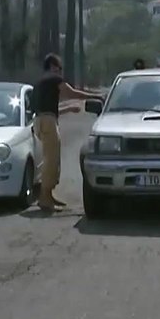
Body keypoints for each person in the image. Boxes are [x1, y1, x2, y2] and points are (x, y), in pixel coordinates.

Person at [33, 53, 100, 212]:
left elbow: (46, 109)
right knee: (51, 161)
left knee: (51, 158)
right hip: (48, 122)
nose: (60, 71)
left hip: (41, 121)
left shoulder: (40, 82)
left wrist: (69, 108)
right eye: (59, 67)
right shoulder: (54, 79)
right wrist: (95, 96)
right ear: (52, 66)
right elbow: (72, 93)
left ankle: (48, 195)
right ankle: (44, 198)